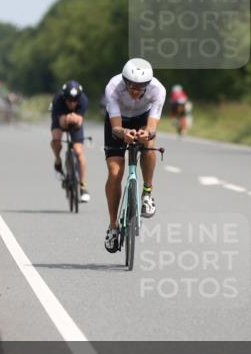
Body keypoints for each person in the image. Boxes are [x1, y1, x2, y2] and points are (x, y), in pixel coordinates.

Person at [103, 58, 166, 253]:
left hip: (142, 118)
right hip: (118, 121)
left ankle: (147, 193)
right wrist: (123, 133)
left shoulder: (158, 90)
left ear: (148, 85)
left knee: (148, 144)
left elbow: (152, 126)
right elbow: (115, 128)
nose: (135, 91)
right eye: (131, 86)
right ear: (124, 81)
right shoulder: (113, 87)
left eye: (141, 87)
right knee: (115, 173)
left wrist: (146, 133)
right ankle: (113, 226)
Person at [50, 80, 90, 202]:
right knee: (56, 140)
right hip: (60, 119)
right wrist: (67, 118)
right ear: (64, 98)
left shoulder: (83, 100)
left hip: (76, 122)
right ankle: (58, 162)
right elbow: (61, 122)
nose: (72, 103)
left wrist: (75, 119)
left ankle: (83, 187)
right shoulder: (58, 100)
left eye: (75, 101)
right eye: (69, 101)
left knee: (79, 152)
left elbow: (80, 121)